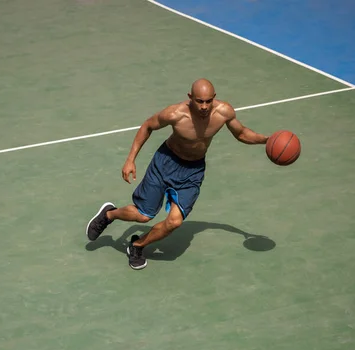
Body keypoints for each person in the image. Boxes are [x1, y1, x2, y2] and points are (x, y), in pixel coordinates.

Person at [86, 78, 269, 270]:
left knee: (174, 222)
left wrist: (267, 140)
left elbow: (241, 133)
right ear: (190, 97)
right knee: (143, 216)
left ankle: (137, 245)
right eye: (200, 101)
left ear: (214, 98)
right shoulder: (175, 114)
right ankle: (109, 215)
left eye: (208, 101)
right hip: (166, 163)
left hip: (193, 171)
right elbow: (147, 126)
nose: (205, 106)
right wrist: (131, 159)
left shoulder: (224, 112)